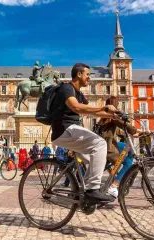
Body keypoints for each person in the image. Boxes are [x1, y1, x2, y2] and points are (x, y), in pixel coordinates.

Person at [49, 62, 117, 203]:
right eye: (88, 74)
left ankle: (83, 195)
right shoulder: (67, 88)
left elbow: (93, 110)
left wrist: (115, 116)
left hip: (70, 131)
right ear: (79, 74)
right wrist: (103, 107)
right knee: (100, 144)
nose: (89, 78)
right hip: (64, 130)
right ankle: (92, 190)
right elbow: (77, 107)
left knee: (92, 159)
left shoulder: (79, 94)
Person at [96, 96, 144, 197]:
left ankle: (122, 176)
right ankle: (114, 185)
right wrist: (136, 130)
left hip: (108, 143)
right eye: (117, 105)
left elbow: (118, 131)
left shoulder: (106, 117)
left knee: (127, 147)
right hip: (108, 147)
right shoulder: (112, 117)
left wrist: (136, 132)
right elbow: (125, 125)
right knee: (128, 163)